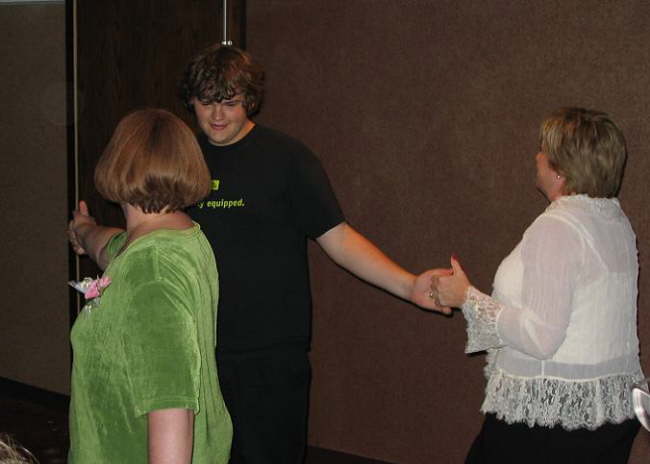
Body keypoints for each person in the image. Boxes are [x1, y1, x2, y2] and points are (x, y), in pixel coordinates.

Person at [176, 44, 449, 463]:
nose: (216, 116)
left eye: (229, 104)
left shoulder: (287, 159)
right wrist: (88, 234)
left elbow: (338, 239)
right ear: (191, 100)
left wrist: (409, 283)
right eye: (206, 102)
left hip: (270, 354)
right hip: (192, 348)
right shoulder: (179, 160)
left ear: (249, 100)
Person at [432, 107, 645, 463]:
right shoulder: (614, 221)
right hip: (605, 416)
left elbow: (540, 337)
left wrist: (465, 297)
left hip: (551, 422)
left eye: (543, 151)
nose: (537, 157)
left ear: (560, 171)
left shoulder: (558, 227)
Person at [67, 109, 232, 463]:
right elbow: (110, 247)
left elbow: (171, 405)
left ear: (116, 166)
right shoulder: (180, 239)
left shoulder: (151, 271)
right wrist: (83, 229)